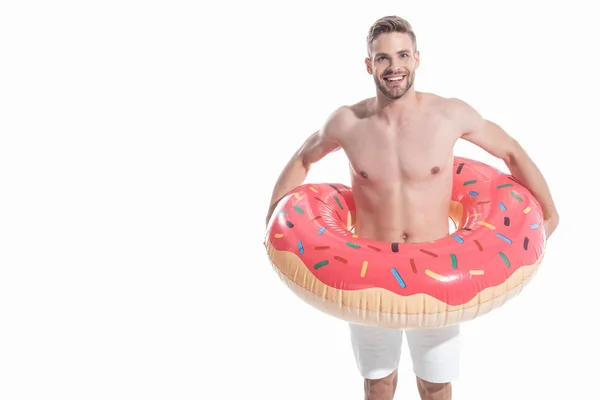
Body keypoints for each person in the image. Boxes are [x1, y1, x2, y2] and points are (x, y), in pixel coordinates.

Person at [264, 15, 559, 400]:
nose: (394, 67)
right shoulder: (347, 122)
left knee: (435, 386)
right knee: (378, 384)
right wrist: (272, 218)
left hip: (439, 278)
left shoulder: (448, 115)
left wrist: (550, 212)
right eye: (383, 58)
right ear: (369, 65)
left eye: (402, 55)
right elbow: (304, 159)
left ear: (417, 59)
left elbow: (510, 152)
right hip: (366, 276)